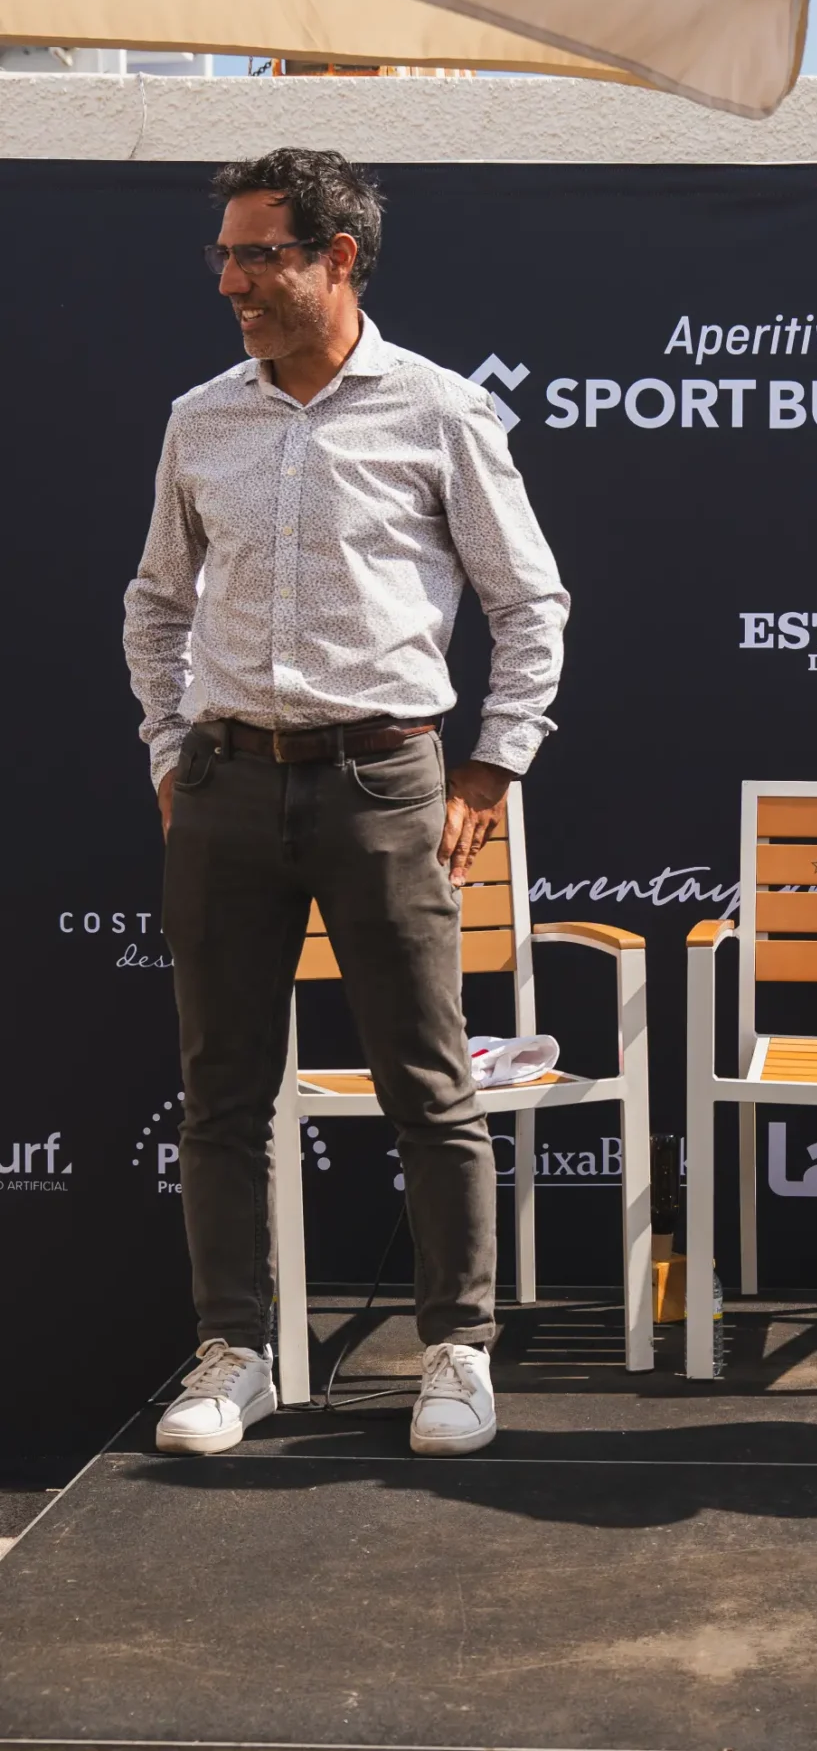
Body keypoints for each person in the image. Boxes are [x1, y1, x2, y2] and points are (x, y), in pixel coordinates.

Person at [124, 148, 568, 1460]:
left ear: (337, 258)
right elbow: (156, 603)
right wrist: (169, 752)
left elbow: (529, 602)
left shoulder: (440, 411)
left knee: (428, 1081)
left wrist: (492, 764)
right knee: (219, 1091)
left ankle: (457, 1353)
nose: (231, 283)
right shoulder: (200, 419)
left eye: (258, 255)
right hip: (223, 783)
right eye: (223, 256)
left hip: (383, 780)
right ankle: (234, 1354)